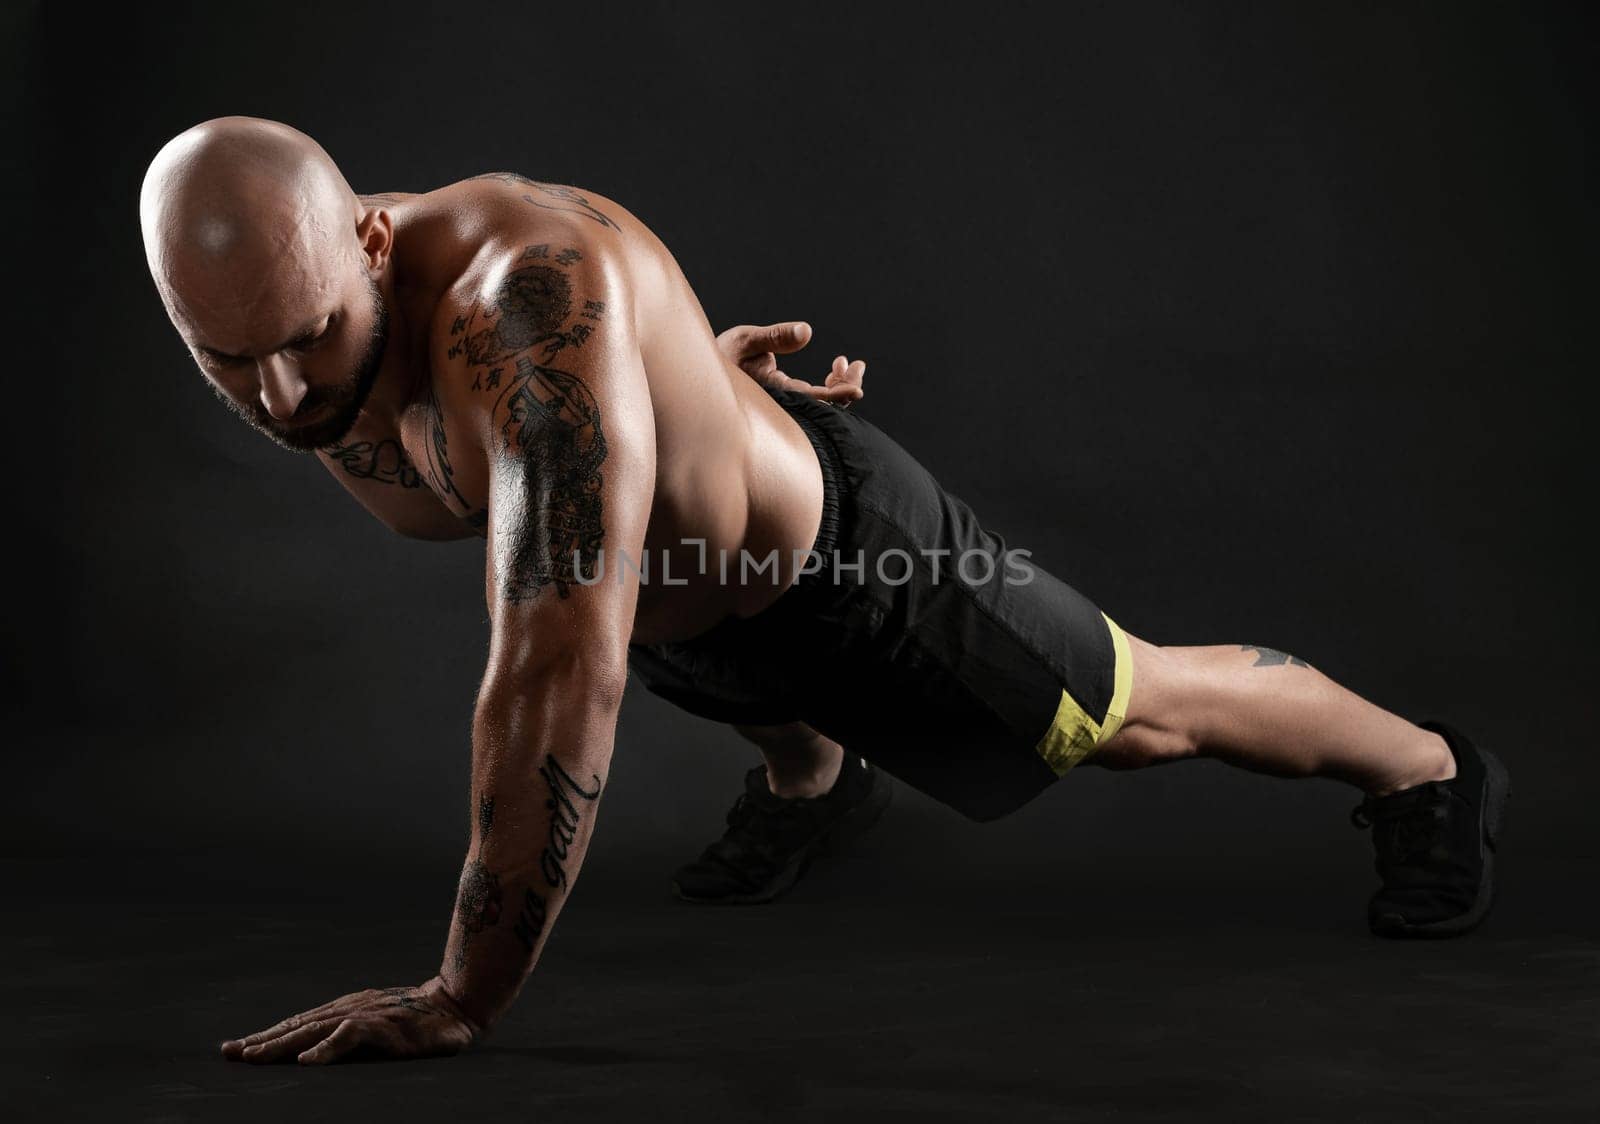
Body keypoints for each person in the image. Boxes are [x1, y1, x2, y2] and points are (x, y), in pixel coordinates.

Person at [137, 117, 1510, 1066]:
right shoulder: (288, 318)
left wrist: (461, 996)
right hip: (684, 609)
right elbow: (565, 464)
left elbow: (559, 668)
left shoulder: (521, 301)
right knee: (714, 654)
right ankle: (819, 787)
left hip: (856, 576)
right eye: (228, 360)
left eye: (310, 339)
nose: (282, 392)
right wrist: (692, 384)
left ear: (372, 241)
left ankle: (1426, 769)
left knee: (1135, 714)